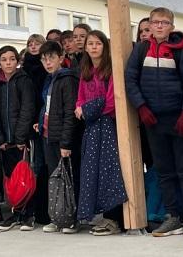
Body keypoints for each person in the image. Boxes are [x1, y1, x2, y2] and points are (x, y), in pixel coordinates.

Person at [125, 7, 183, 238]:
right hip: (153, 120)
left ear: (172, 27)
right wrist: (141, 107)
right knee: (164, 170)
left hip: (179, 119)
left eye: (164, 23)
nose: (159, 26)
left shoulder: (182, 51)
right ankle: (172, 216)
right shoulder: (140, 50)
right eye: (155, 22)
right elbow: (130, 79)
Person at [75, 30, 126, 236]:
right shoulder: (86, 69)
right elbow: (79, 97)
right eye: (90, 44)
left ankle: (114, 219)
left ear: (104, 46)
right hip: (91, 127)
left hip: (107, 124)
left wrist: (87, 110)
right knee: (92, 172)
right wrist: (80, 108)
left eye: (98, 43)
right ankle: (102, 216)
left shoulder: (110, 68)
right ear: (85, 47)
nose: (94, 47)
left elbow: (112, 101)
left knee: (109, 171)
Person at [36, 39, 80, 234]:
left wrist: (66, 142)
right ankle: (57, 217)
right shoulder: (49, 80)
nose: (47, 62)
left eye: (51, 58)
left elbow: (70, 113)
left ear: (61, 58)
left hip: (61, 139)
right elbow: (48, 108)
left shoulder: (67, 79)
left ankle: (72, 218)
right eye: (44, 59)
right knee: (54, 180)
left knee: (68, 180)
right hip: (47, 136)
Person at [0, 45, 37, 232]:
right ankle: (15, 213)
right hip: (5, 142)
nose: (8, 63)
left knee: (25, 177)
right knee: (10, 179)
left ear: (17, 61)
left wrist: (20, 138)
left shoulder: (24, 80)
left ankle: (28, 214)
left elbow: (27, 109)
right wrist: (0, 138)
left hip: (21, 141)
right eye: (4, 59)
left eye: (12, 59)